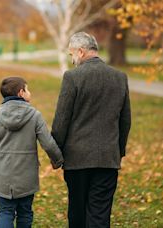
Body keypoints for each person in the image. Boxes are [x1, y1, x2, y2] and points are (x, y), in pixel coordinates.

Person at [51, 32, 131, 227]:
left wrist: (56, 154)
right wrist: (117, 152)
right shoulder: (119, 77)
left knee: (77, 212)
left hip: (77, 159)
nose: (72, 60)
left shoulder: (72, 77)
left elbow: (61, 120)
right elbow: (125, 120)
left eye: (72, 55)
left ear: (81, 51)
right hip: (107, 159)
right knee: (100, 214)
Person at [0, 76, 64, 228]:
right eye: (28, 89)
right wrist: (58, 160)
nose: (30, 92)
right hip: (26, 176)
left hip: (3, 175)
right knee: (25, 212)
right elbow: (48, 143)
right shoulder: (34, 115)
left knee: (6, 212)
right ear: (21, 92)